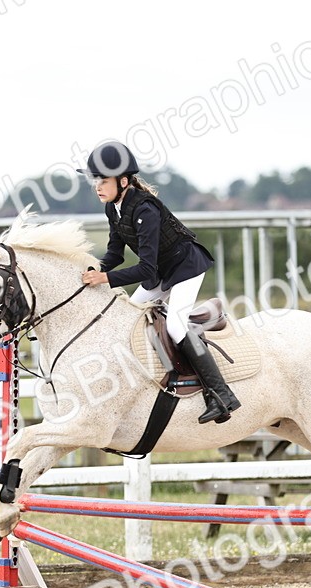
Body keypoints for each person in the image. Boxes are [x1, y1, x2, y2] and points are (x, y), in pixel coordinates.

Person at [78, 141, 241, 424]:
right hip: (161, 273)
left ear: (124, 181)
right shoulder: (112, 209)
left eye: (103, 180)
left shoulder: (145, 209)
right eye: (96, 181)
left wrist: (105, 278)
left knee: (177, 326)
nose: (98, 187)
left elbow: (145, 267)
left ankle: (221, 394)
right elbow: (115, 255)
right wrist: (91, 271)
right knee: (128, 318)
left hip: (186, 267)